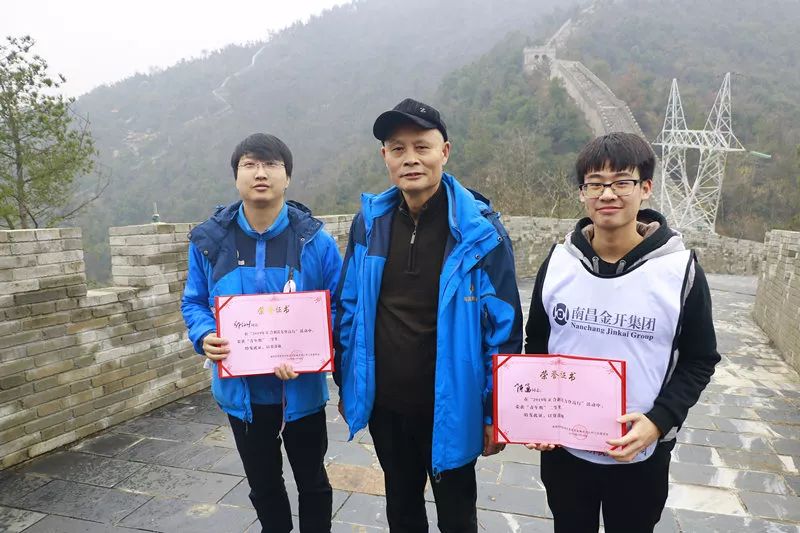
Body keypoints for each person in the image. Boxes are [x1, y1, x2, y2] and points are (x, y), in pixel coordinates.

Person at [333, 98, 522, 532]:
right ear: (385, 156)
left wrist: (496, 411)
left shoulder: (479, 232)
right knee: (401, 508)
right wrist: (348, 384)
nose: (410, 159)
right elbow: (348, 309)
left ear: (445, 151)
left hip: (453, 405)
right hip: (387, 405)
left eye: (422, 146)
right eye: (398, 149)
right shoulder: (370, 225)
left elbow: (504, 328)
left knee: (457, 514)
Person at [524, 132, 720, 533]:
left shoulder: (679, 271)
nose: (607, 194)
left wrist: (659, 421)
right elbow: (538, 344)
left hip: (639, 454)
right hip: (566, 452)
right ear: (582, 193)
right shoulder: (559, 263)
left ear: (645, 188)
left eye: (622, 182)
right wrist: (538, 417)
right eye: (595, 183)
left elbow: (700, 360)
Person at [181, 133, 342, 533]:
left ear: (287, 177)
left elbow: (341, 306)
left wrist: (308, 350)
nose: (260, 173)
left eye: (271, 165)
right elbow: (194, 302)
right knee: (264, 485)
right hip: (243, 397)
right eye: (249, 165)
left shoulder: (315, 242)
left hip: (301, 392)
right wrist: (205, 335)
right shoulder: (210, 242)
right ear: (236, 176)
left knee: (313, 482)